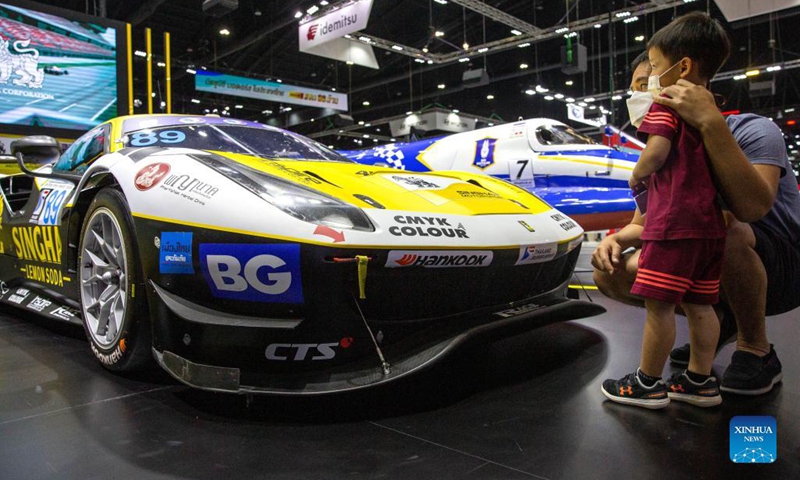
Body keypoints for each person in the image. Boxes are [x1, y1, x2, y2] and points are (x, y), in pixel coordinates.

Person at [593, 42, 800, 398]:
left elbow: (752, 208)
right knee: (609, 269)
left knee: (722, 229)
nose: (637, 94)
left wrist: (710, 124)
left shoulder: (754, 130)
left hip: (782, 265)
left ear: (681, 73)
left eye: (646, 82)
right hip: (708, 255)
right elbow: (645, 223)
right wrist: (615, 240)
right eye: (634, 87)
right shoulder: (666, 150)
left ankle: (755, 348)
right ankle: (710, 344)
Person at [600, 12, 732, 409]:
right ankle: (699, 381)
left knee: (659, 308)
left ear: (683, 68)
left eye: (655, 67)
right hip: (708, 229)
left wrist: (636, 175)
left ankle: (647, 383)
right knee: (701, 306)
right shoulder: (712, 118)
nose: (652, 78)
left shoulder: (667, 106)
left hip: (672, 227)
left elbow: (656, 153)